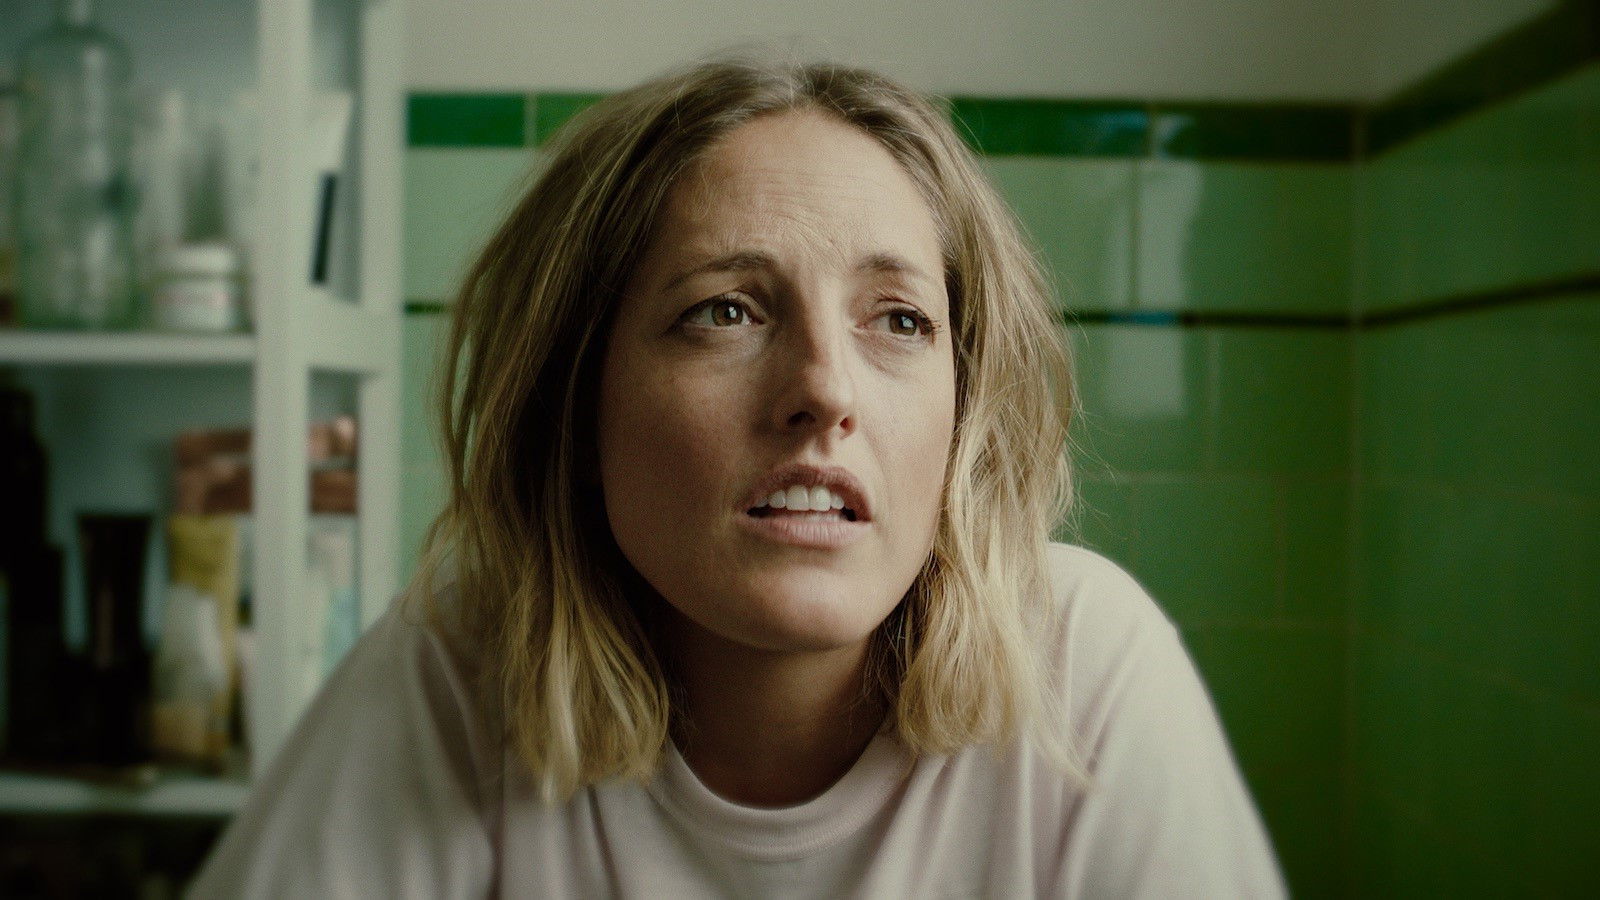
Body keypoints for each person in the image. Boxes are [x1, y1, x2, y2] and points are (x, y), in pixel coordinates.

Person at [189, 54, 1285, 898]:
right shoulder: (460, 666)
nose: (825, 389)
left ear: (964, 411)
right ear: (576, 408)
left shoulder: (1081, 669)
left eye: (899, 320)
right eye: (725, 311)